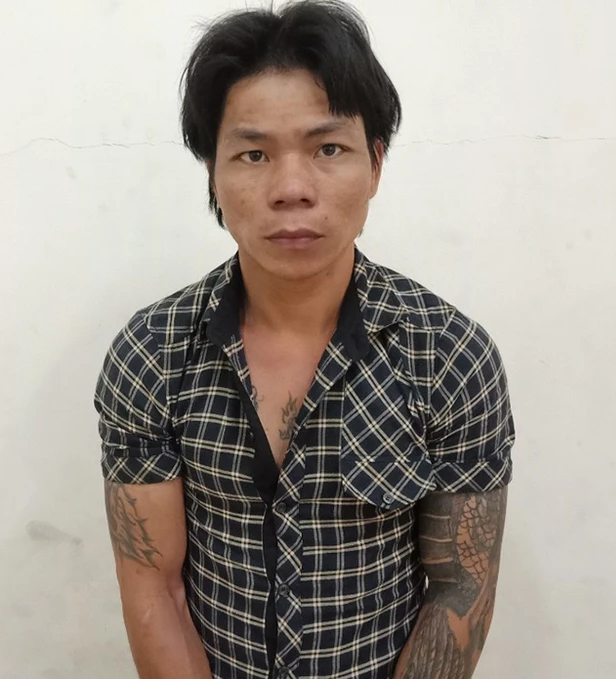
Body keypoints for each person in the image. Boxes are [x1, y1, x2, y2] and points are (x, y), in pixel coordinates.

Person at [93, 2, 516, 677]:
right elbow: (154, 586)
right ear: (213, 173)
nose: (292, 188)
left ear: (375, 163)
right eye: (253, 153)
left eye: (328, 149)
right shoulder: (152, 353)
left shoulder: (449, 356)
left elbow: (459, 589)